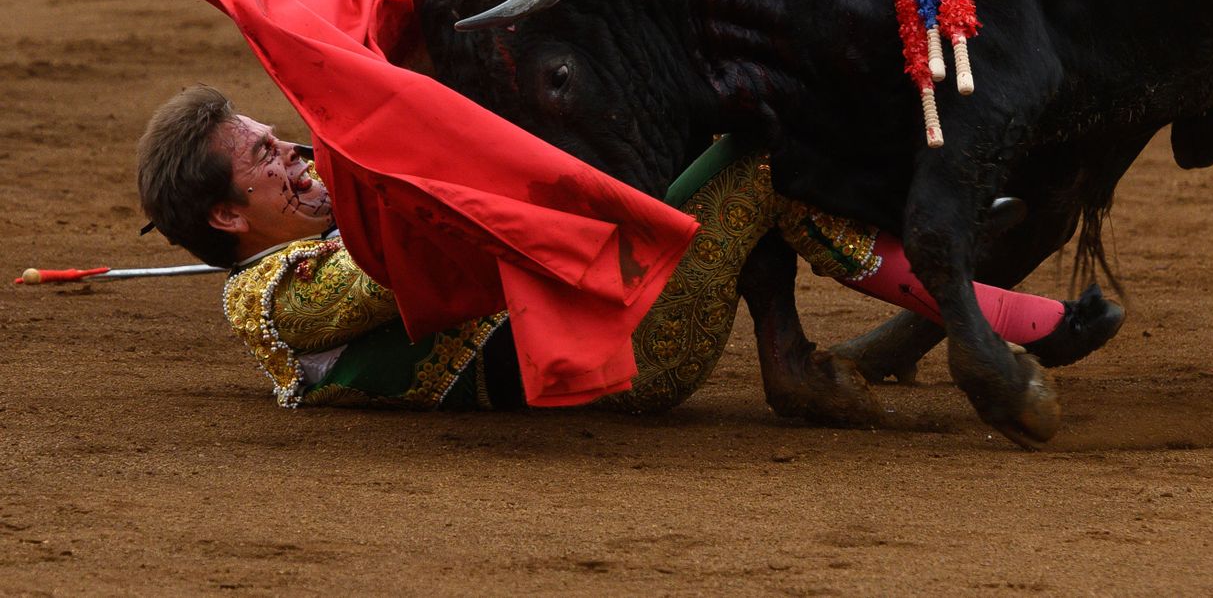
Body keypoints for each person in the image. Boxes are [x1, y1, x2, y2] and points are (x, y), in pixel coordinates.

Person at [138, 85, 1124, 413]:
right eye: (267, 158)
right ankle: (982, 308)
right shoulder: (266, 296)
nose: (297, 154)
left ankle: (829, 350)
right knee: (759, 158)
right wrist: (377, 172)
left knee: (708, 135)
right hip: (622, 351)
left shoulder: (320, 236)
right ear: (230, 219)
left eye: (281, 138)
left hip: (598, 318)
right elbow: (387, 272)